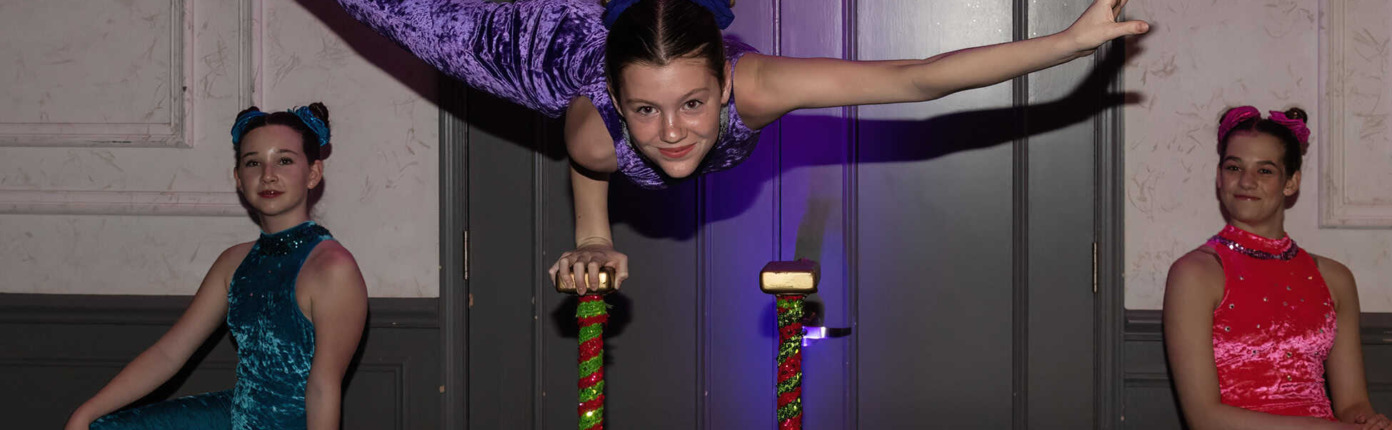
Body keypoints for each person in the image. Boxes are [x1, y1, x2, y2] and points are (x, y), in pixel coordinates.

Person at [330, 0, 1148, 293]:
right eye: (645, 113)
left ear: (726, 83)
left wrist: (1065, 45)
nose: (674, 132)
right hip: (504, 35)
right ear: (618, 102)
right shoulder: (599, 130)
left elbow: (914, 79)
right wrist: (593, 235)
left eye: (691, 103)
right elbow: (587, 157)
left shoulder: (757, 81)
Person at [65, 104, 370, 430]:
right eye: (254, 162)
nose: (268, 174)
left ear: (312, 173)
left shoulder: (333, 269)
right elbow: (169, 354)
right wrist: (85, 414)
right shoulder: (234, 262)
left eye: (284, 160)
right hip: (237, 416)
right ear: (239, 178)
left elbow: (323, 389)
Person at [1162, 106, 1392, 430]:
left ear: (1291, 182)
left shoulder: (1334, 278)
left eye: (1264, 171)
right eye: (1234, 167)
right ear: (1219, 177)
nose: (1246, 181)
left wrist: (1371, 425)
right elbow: (1205, 418)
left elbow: (1353, 403)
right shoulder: (1195, 274)